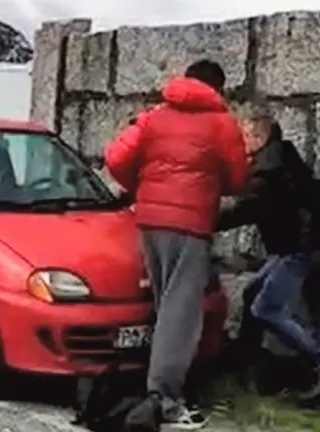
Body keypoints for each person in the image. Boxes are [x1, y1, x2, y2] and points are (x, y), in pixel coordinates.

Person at [104, 59, 249, 431]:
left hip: (149, 221)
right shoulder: (221, 122)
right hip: (191, 224)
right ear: (218, 87)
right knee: (180, 315)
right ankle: (164, 401)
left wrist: (144, 185)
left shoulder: (154, 116)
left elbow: (117, 158)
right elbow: (237, 178)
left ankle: (153, 387)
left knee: (163, 304)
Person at [216, 101, 320, 400]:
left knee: (265, 307)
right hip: (297, 245)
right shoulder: (280, 157)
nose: (240, 144)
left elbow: (246, 207)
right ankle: (248, 366)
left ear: (259, 136)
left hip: (299, 249)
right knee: (253, 293)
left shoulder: (269, 170)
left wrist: (203, 222)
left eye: (244, 137)